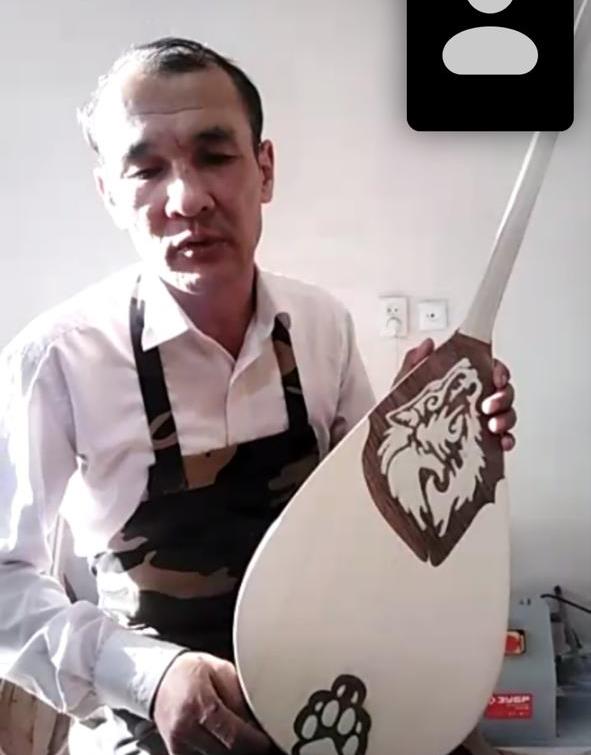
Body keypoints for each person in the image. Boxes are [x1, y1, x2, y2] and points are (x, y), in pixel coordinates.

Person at [0, 38, 516, 755]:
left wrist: (429, 435)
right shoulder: (55, 360)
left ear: (264, 169)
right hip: (150, 715)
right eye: (146, 169)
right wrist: (149, 676)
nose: (188, 199)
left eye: (215, 155)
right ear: (109, 193)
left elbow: (370, 539)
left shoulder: (321, 325)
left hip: (336, 686)